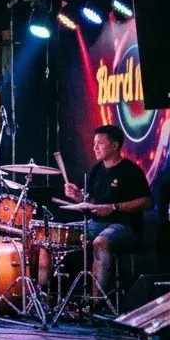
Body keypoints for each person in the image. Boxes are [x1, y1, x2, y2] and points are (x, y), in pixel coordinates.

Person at [55, 124, 153, 293]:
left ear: (114, 146)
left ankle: (96, 303)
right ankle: (44, 297)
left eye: (100, 143)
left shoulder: (131, 171)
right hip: (96, 223)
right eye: (94, 143)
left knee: (100, 242)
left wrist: (114, 207)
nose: (95, 147)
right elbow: (91, 201)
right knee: (53, 235)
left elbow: (147, 202)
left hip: (125, 226)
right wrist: (78, 196)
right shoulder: (97, 169)